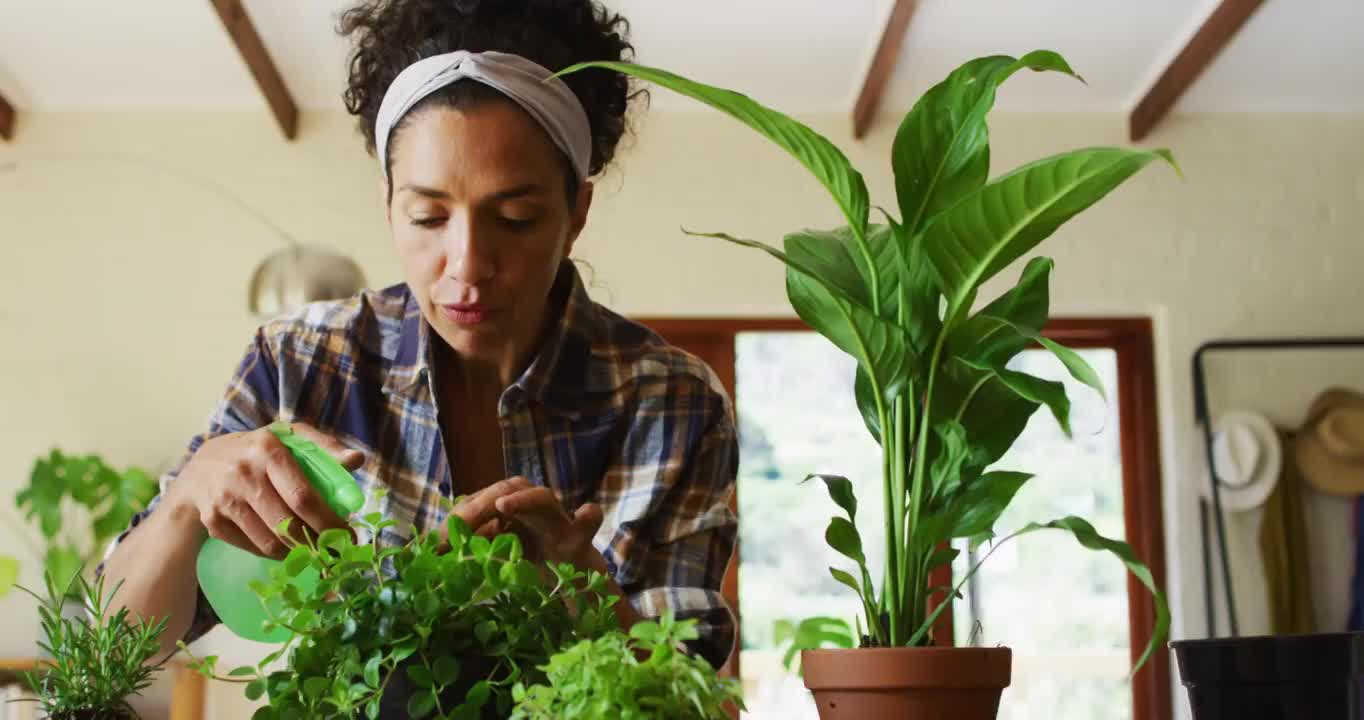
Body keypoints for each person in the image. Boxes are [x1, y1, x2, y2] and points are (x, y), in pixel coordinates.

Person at [98, 0, 738, 673]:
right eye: (428, 216)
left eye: (516, 217)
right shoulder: (298, 365)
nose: (467, 265)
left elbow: (691, 689)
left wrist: (583, 590)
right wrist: (189, 497)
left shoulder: (671, 402)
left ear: (576, 211)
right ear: (387, 204)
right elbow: (109, 653)